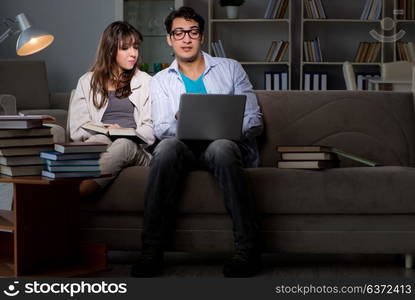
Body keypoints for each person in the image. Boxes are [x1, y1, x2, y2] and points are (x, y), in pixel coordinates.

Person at [131, 7, 263, 278]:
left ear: (201, 36)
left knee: (222, 147)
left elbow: (254, 119)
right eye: (178, 33)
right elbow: (162, 128)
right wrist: (185, 119)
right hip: (183, 148)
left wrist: (223, 124)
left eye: (192, 32)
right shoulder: (160, 81)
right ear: (170, 39)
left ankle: (247, 251)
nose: (186, 38)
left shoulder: (230, 68)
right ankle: (151, 251)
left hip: (223, 146)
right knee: (166, 148)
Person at [70, 21, 154, 196]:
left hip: (136, 149)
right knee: (99, 139)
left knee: (123, 143)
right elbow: (77, 130)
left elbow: (150, 131)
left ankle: (75, 196)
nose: (133, 54)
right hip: (100, 144)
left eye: (136, 47)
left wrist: (124, 131)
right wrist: (106, 130)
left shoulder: (146, 81)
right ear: (110, 50)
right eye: (125, 48)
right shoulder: (87, 81)